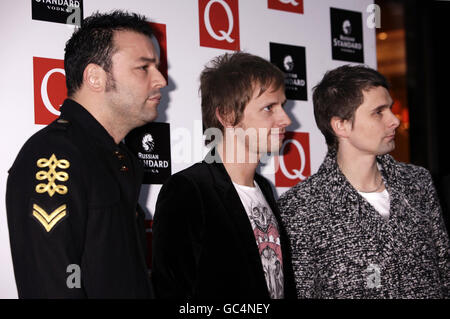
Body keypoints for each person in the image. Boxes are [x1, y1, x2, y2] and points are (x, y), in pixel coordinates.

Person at [6, 10, 167, 298]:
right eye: (144, 68)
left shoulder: (121, 159)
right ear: (96, 77)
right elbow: (51, 288)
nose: (161, 81)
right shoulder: (54, 155)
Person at [278, 65, 450, 298]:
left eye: (390, 108)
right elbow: (301, 290)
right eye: (378, 112)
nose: (394, 121)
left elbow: (444, 268)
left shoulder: (418, 183)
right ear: (341, 125)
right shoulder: (301, 206)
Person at [151, 52, 296, 299]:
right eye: (269, 108)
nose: (286, 119)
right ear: (227, 115)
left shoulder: (264, 189)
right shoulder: (187, 190)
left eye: (282, 106)